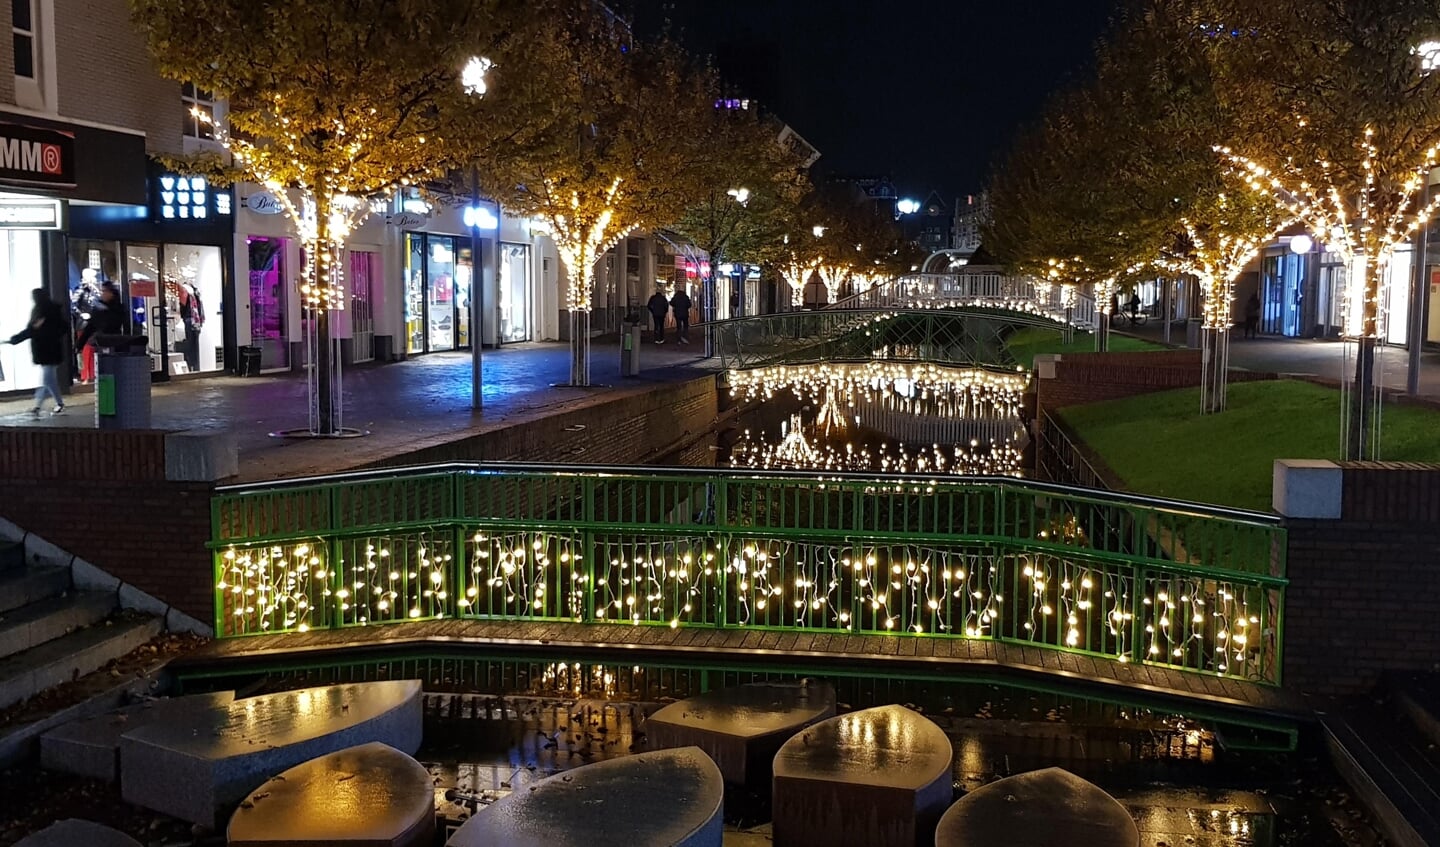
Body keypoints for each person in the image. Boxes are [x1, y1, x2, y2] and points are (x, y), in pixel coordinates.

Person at [5, 288, 68, 416]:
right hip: (52, 349)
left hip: (44, 350)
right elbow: (62, 327)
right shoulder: (52, 310)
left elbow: (31, 330)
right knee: (49, 379)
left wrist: (15, 339)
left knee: (47, 379)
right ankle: (52, 404)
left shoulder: (41, 311)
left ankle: (44, 405)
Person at [76, 282, 126, 354]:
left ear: (111, 293)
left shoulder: (117, 309)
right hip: (101, 343)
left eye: (104, 291)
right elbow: (90, 328)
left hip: (113, 343)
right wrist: (80, 344)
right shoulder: (99, 308)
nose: (102, 294)